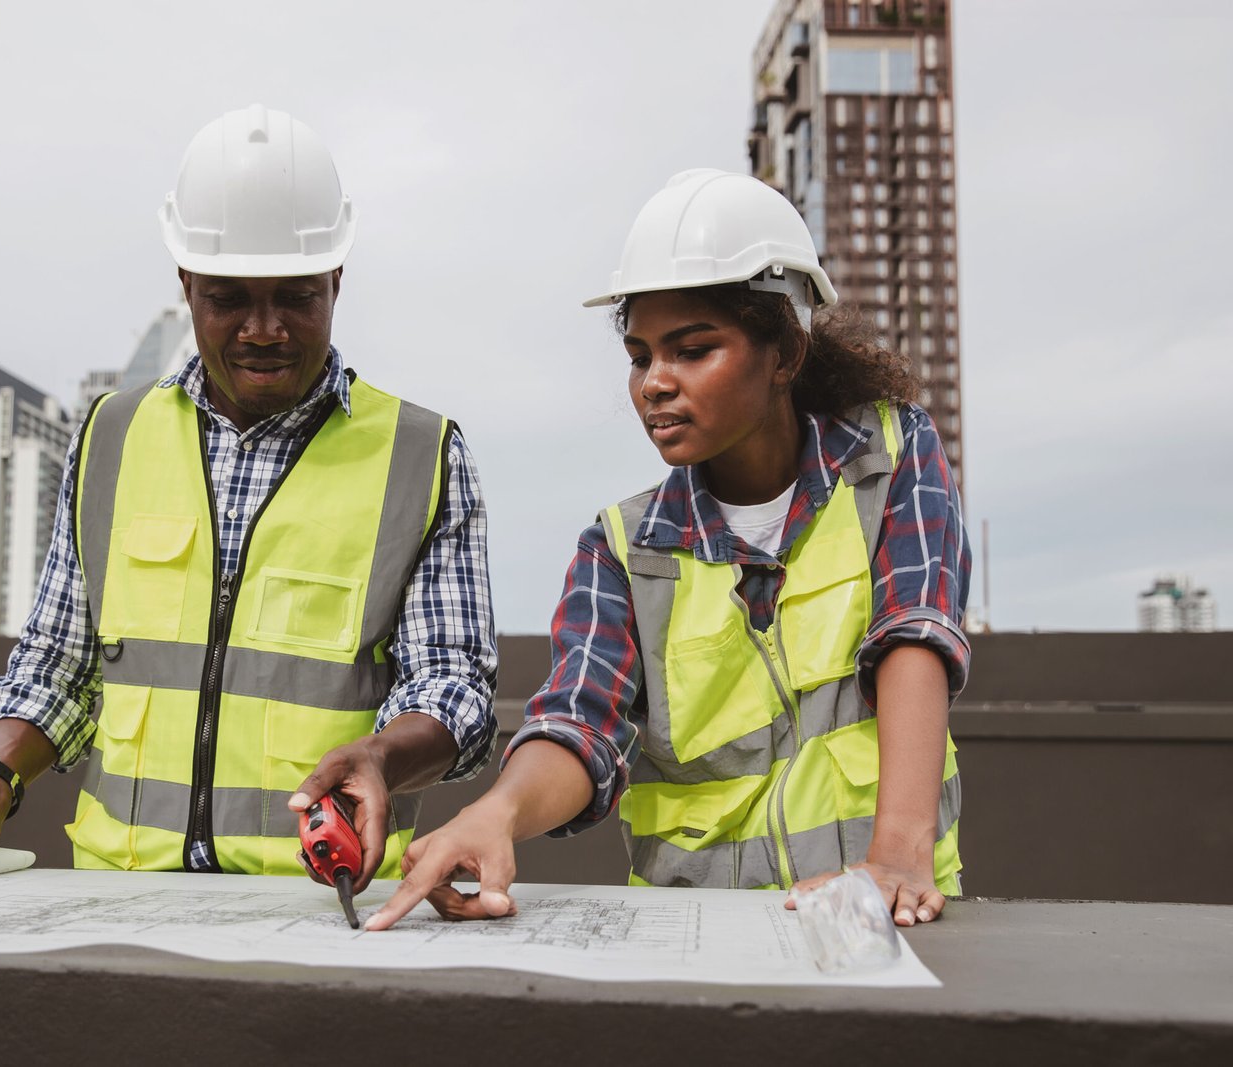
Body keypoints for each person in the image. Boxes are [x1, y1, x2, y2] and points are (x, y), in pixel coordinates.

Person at [0, 105, 497, 890]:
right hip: (116, 899)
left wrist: (380, 755)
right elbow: (58, 664)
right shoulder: (112, 435)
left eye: (295, 296)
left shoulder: (421, 455)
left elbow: (454, 686)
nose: (263, 329)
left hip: (317, 907)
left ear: (336, 278)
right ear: (186, 284)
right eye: (229, 298)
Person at [367, 168, 968, 931]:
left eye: (692, 349)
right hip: (693, 942)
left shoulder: (888, 458)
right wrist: (496, 812)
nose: (656, 382)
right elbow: (581, 723)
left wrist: (899, 855)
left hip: (887, 914)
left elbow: (915, 628)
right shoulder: (622, 548)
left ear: (784, 351)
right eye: (641, 355)